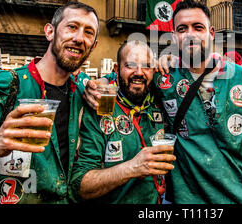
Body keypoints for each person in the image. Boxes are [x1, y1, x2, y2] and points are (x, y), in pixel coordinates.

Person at [0, 0, 99, 204]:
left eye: (88, 32)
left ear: (93, 46)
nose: (79, 38)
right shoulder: (2, 86)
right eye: (72, 27)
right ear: (50, 32)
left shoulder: (83, 92)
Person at [152, 0, 242, 203]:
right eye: (182, 29)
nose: (190, 34)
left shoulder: (241, 76)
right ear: (174, 37)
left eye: (198, 27)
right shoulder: (163, 79)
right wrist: (97, 86)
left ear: (211, 33)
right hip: (189, 199)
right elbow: (126, 89)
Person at [69, 41, 175, 204]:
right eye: (131, 65)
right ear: (117, 69)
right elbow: (79, 186)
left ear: (154, 70)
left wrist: (173, 58)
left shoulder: (160, 100)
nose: (139, 73)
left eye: (146, 66)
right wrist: (133, 168)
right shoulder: (100, 106)